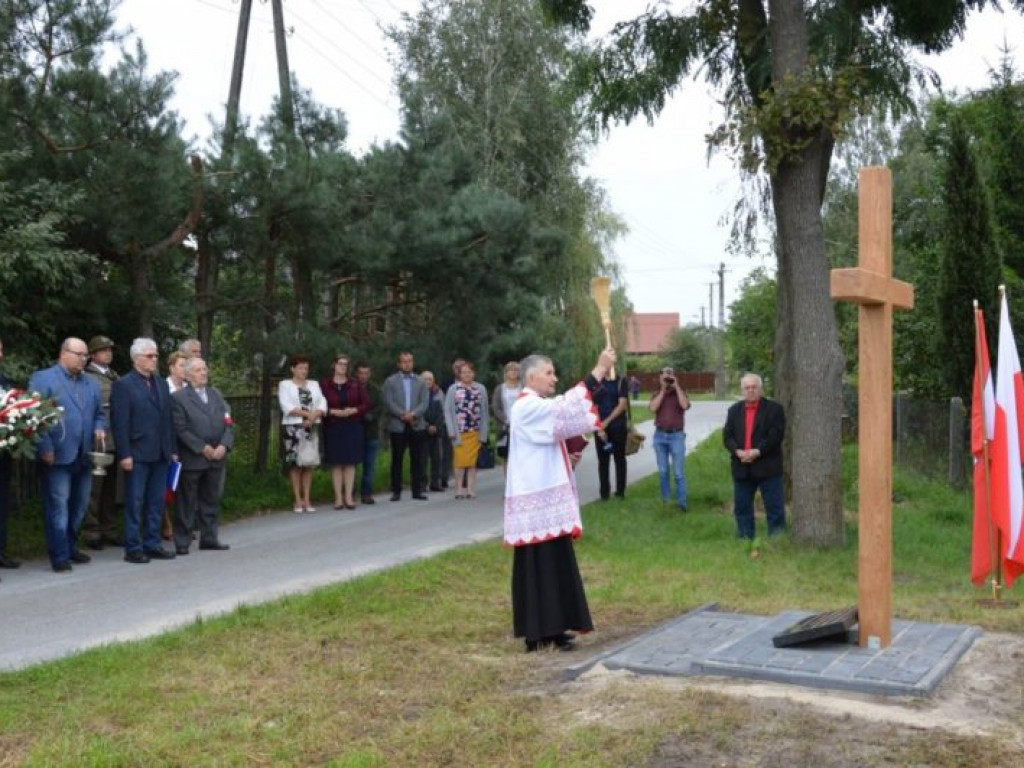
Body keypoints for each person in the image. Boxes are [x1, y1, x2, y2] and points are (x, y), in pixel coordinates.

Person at [504, 348, 611, 653]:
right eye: (549, 373)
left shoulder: (536, 405)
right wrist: (598, 371)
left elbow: (557, 430)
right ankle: (537, 630)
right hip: (536, 501)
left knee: (555, 562)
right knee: (538, 564)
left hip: (546, 498)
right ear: (532, 376)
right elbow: (563, 411)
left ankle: (555, 625)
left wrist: (569, 451)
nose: (554, 378)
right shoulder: (525, 406)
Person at [29, 338, 106, 572]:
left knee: (80, 505)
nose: (84, 358)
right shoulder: (43, 378)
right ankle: (59, 554)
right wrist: (45, 448)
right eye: (79, 354)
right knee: (58, 505)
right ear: (64, 353)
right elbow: (34, 416)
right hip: (57, 454)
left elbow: (99, 414)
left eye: (85, 355)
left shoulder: (91, 383)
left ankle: (71, 545)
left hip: (84, 454)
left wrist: (99, 427)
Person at [111, 338, 177, 563]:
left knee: (157, 501)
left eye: (156, 355)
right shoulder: (124, 385)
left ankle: (152, 543)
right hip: (137, 452)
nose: (154, 359)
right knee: (135, 501)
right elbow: (120, 423)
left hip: (160, 452)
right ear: (136, 358)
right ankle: (133, 547)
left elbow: (167, 418)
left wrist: (171, 449)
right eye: (150, 356)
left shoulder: (160, 383)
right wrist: (125, 454)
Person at [171, 357, 233, 554]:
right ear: (188, 375)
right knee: (187, 501)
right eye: (198, 370)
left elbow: (229, 422)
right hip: (194, 458)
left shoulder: (216, 394)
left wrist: (224, 444)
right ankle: (182, 541)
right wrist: (202, 447)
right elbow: (181, 428)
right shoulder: (179, 398)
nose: (203, 373)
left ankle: (209, 538)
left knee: (211, 499)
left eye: (205, 369)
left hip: (217, 457)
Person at [722, 372, 787, 539]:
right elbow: (727, 436)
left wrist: (757, 451)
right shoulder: (734, 410)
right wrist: (737, 451)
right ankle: (745, 538)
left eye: (754, 387)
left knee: (775, 507)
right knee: (742, 507)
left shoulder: (774, 409)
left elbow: (776, 435)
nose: (750, 390)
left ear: (760, 389)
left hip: (768, 467)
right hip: (742, 466)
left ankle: (778, 540)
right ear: (742, 390)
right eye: (747, 387)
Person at [80, 335, 123, 550]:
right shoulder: (87, 377)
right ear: (94, 354)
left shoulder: (114, 376)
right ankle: (92, 532)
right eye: (104, 350)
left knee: (112, 489)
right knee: (95, 488)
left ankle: (109, 529)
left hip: (115, 438)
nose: (108, 353)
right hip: (98, 439)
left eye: (110, 349)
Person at [278, 355, 327, 514]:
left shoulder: (314, 384)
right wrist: (307, 415)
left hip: (311, 426)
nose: (303, 371)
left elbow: (322, 403)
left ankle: (307, 498)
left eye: (306, 368)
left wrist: (312, 417)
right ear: (293, 369)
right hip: (293, 427)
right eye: (300, 368)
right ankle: (297, 499)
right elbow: (287, 406)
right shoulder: (285, 385)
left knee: (308, 463)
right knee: (295, 464)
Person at [321, 355, 368, 510]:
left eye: (346, 365)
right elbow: (318, 405)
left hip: (352, 426)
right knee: (336, 463)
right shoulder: (325, 385)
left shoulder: (355, 384)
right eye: (340, 364)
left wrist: (353, 410)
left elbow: (366, 404)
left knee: (350, 463)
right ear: (333, 365)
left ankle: (349, 497)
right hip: (334, 427)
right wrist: (332, 411)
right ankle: (338, 498)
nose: (343, 367)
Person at [381, 351, 429, 501]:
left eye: (410, 361)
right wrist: (402, 414)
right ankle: (396, 491)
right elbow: (388, 402)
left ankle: (417, 490)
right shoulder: (390, 381)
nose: (407, 364)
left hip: (416, 424)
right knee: (397, 459)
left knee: (417, 459)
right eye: (404, 361)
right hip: (398, 425)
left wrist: (413, 414)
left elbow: (424, 402)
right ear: (399, 364)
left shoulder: (421, 381)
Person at [444, 361, 489, 499]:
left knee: (471, 462)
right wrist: (451, 430)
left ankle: (470, 489)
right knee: (459, 462)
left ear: (473, 373)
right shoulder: (453, 389)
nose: (467, 375)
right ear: (460, 374)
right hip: (459, 431)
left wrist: (484, 433)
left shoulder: (480, 388)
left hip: (474, 430)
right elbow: (447, 410)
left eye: (469, 372)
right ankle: (459, 489)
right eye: (464, 372)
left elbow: (485, 411)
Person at [649, 365, 692, 511]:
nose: (667, 377)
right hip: (660, 436)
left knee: (678, 472)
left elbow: (685, 405)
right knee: (663, 471)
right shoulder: (656, 393)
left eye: (670, 374)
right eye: (664, 374)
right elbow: (653, 408)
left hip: (677, 436)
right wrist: (663, 390)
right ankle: (666, 502)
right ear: (660, 376)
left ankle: (682, 503)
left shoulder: (681, 392)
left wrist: (677, 386)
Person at [585, 365, 629, 500]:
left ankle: (620, 492)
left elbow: (622, 405)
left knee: (619, 459)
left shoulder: (621, 381)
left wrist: (607, 422)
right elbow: (592, 405)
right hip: (601, 427)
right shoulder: (597, 383)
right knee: (603, 461)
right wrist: (599, 426)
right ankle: (604, 494)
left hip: (617, 426)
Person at [0, 338, 19, 572]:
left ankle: (1, 550)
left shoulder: (3, 378)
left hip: (3, 452)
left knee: (2, 503)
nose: (1, 353)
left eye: (2, 349)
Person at [355, 362, 380, 505]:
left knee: (369, 466)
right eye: (361, 373)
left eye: (366, 373)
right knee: (352, 465)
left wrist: (371, 415)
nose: (363, 376)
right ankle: (349, 493)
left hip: (371, 433)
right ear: (357, 374)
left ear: (369, 374)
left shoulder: (375, 390)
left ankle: (366, 493)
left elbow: (380, 408)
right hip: (355, 432)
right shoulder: (352, 388)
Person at [490, 361, 522, 471]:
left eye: (515, 370)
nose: (513, 372)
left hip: (521, 425)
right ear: (506, 373)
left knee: (521, 455)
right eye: (510, 370)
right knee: (507, 455)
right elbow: (495, 406)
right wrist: (505, 420)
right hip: (505, 426)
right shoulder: (500, 389)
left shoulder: (523, 388)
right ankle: (509, 483)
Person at [440, 358, 465, 487]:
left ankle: (464, 479)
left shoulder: (470, 383)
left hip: (465, 422)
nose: (459, 369)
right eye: (456, 367)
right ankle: (444, 477)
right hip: (449, 420)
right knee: (447, 452)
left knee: (463, 451)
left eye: (461, 367)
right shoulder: (446, 383)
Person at [421, 371, 446, 492]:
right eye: (425, 379)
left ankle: (435, 482)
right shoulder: (418, 394)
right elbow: (417, 412)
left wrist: (436, 426)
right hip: (421, 430)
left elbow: (443, 411)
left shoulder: (439, 393)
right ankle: (422, 483)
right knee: (422, 458)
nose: (428, 381)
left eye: (430, 379)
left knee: (437, 458)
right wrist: (427, 426)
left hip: (437, 430)